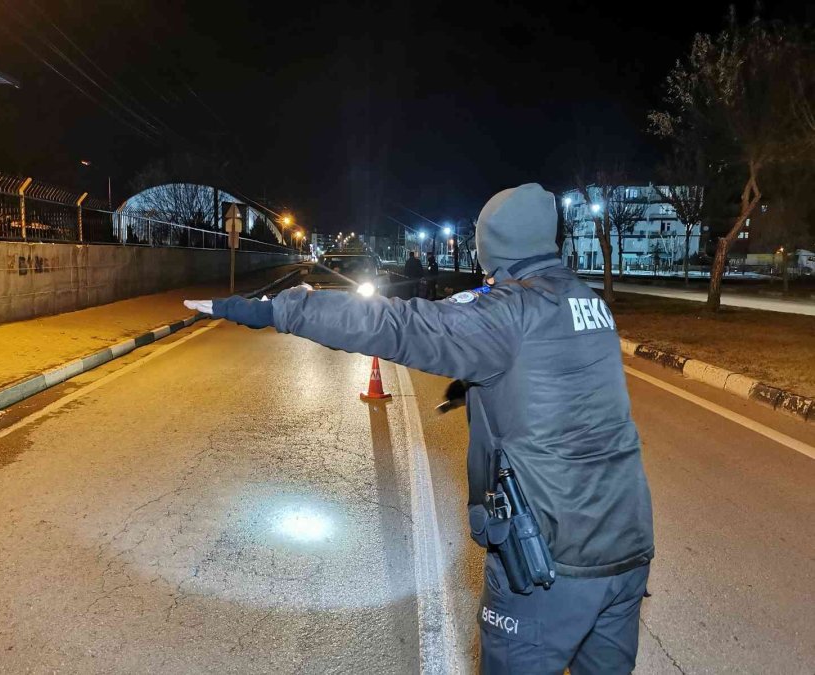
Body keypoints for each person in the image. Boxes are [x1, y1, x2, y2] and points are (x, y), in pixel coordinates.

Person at [184, 183, 654, 674]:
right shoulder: (587, 301)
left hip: (551, 563)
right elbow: (562, 388)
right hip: (626, 550)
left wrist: (274, 309)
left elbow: (400, 325)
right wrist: (476, 386)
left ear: (494, 242)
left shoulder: (507, 311)